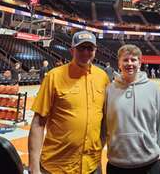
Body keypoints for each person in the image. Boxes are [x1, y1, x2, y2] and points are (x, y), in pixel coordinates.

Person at [28, 30, 109, 174]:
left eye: (90, 48)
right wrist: (34, 167)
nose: (85, 52)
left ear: (95, 51)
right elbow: (38, 122)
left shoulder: (102, 77)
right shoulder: (54, 76)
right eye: (81, 48)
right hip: (57, 167)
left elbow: (104, 120)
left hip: (91, 165)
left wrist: (99, 148)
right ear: (72, 50)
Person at [105, 44, 160, 174]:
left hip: (150, 165)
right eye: (125, 60)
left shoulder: (154, 90)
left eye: (133, 60)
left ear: (140, 63)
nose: (129, 63)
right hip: (117, 165)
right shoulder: (109, 90)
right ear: (119, 63)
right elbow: (102, 129)